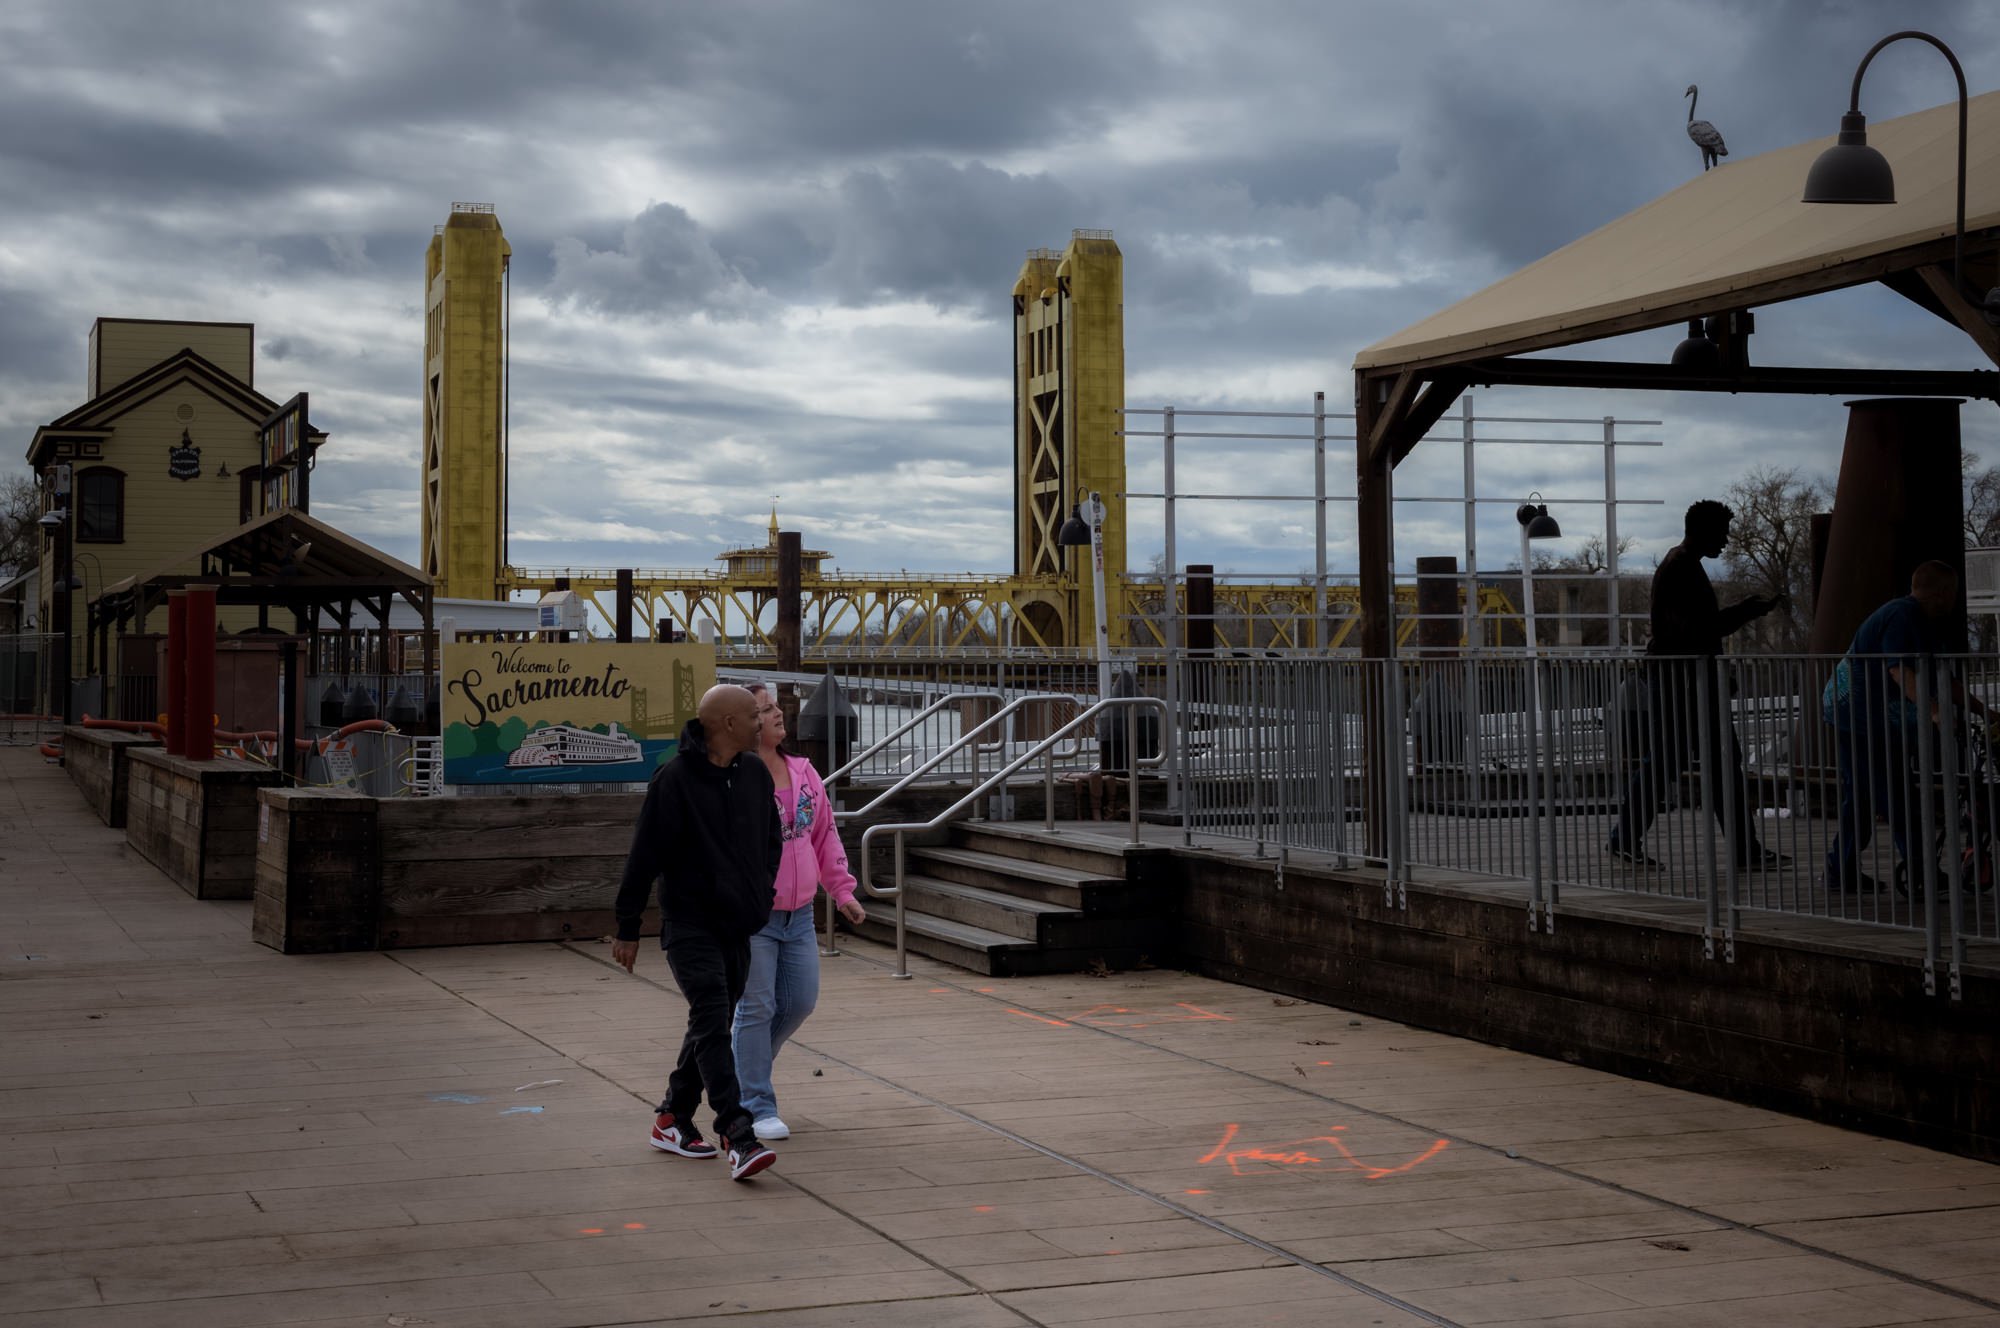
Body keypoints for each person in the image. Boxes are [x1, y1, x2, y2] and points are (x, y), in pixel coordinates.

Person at [612, 683, 782, 1182]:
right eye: (753, 715)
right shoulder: (675, 779)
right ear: (728, 723)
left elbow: (770, 841)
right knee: (711, 1017)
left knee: (712, 1022)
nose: (761, 721)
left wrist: (761, 893)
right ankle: (737, 1134)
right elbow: (643, 857)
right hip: (689, 924)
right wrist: (627, 927)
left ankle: (671, 1118)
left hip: (738, 923)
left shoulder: (753, 773)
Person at [1607, 500, 1783, 869]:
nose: (1726, 540)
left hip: (1686, 680)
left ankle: (1743, 849)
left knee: (1689, 762)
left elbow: (1692, 629)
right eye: (1722, 533)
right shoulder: (1682, 567)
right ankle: (1743, 849)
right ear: (1703, 531)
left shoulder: (1681, 564)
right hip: (1684, 682)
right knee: (1688, 762)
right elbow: (1694, 631)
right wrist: (1744, 612)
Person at [731, 683, 867, 1142]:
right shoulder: (733, 778)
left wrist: (843, 892)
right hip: (754, 916)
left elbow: (824, 835)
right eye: (765, 710)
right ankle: (756, 1103)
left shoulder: (804, 771)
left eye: (775, 707)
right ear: (744, 724)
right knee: (756, 1007)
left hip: (801, 915)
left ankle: (739, 1070)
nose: (778, 714)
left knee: (800, 1002)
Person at [1823, 561, 1987, 895]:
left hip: (1863, 716)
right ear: (1943, 593)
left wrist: (1986, 712)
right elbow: (1899, 670)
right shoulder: (1902, 615)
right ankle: (1922, 872)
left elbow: (1945, 679)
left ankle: (1841, 869)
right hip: (1860, 716)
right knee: (1896, 794)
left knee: (1864, 794)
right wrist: (1935, 711)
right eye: (1954, 592)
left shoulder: (1923, 621)